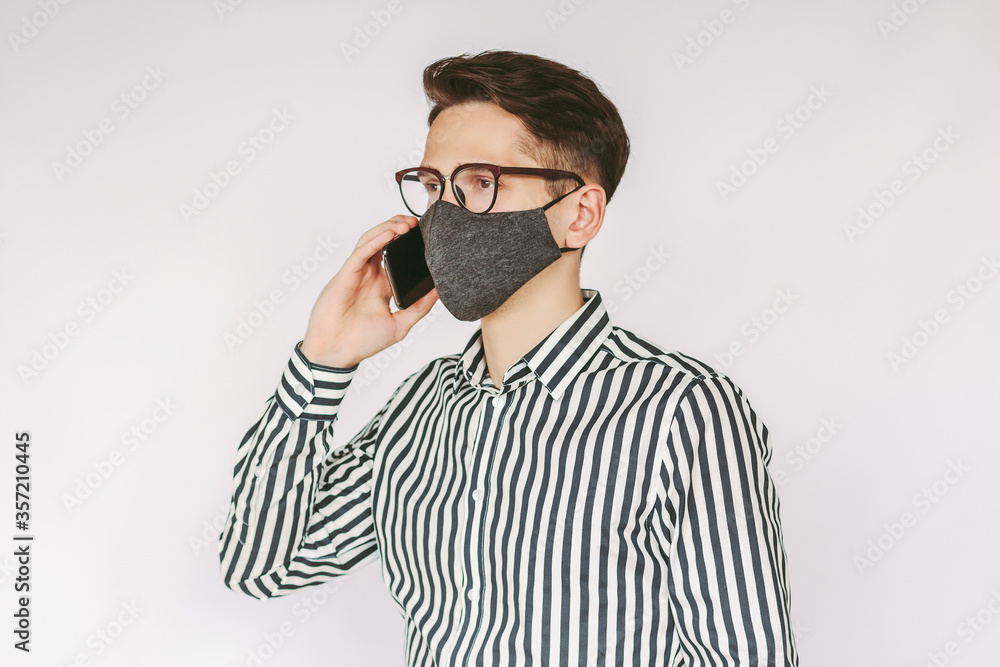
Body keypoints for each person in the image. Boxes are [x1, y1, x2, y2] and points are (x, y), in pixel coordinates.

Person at [219, 49, 799, 666]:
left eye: (480, 182)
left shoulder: (682, 411)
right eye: (434, 187)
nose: (444, 216)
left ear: (580, 215)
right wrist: (323, 363)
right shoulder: (421, 408)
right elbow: (261, 566)